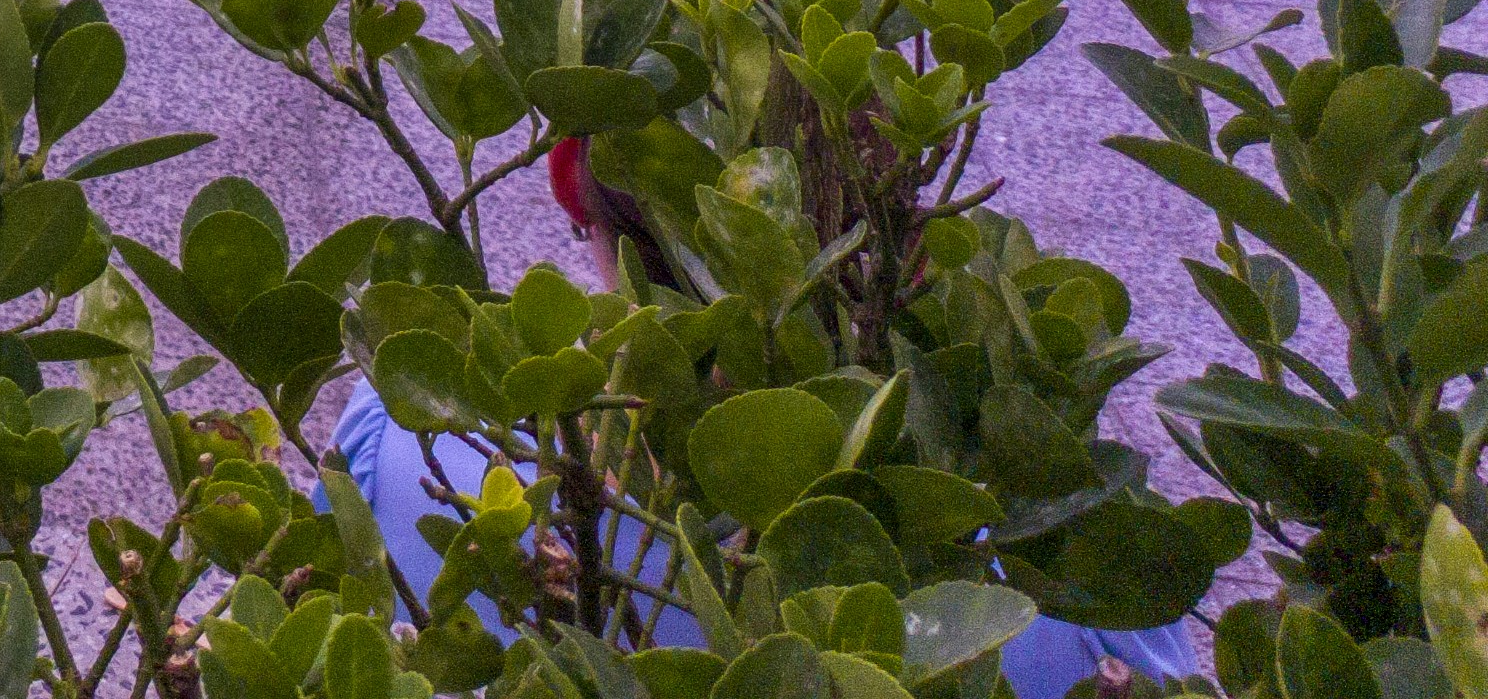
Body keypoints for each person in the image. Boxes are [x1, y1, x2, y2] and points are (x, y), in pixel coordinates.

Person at [320, 142, 1192, 697]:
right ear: (905, 235)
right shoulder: (1075, 549)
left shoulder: (410, 417)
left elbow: (307, 639)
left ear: (608, 237)